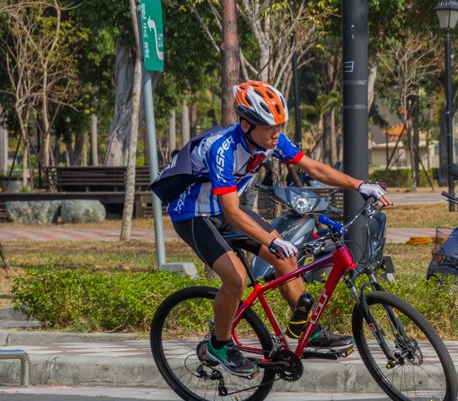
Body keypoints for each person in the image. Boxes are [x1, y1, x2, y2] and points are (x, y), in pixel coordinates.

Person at [166, 80, 391, 379]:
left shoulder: (271, 142)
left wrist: (360, 185)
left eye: (280, 125)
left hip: (224, 208)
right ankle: (218, 345)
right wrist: (272, 242)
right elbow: (232, 210)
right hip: (193, 214)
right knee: (237, 279)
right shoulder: (221, 149)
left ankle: (307, 333)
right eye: (270, 126)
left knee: (286, 260)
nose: (277, 133)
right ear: (246, 125)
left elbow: (313, 167)